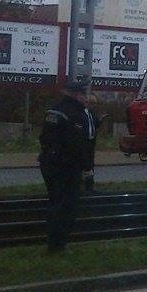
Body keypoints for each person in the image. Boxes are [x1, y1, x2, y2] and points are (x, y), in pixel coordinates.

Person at [38, 78, 95, 252]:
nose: (86, 98)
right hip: (67, 167)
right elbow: (79, 145)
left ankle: (54, 243)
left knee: (55, 202)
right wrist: (87, 170)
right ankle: (58, 245)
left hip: (49, 162)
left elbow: (44, 138)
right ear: (76, 95)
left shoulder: (54, 111)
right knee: (66, 207)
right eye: (84, 94)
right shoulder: (76, 114)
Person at [81, 93, 103, 194]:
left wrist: (100, 120)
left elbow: (94, 125)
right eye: (92, 103)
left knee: (90, 164)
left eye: (95, 103)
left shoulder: (91, 113)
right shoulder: (81, 113)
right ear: (87, 102)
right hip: (83, 143)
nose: (94, 105)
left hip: (90, 143)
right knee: (85, 165)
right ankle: (85, 186)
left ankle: (89, 187)